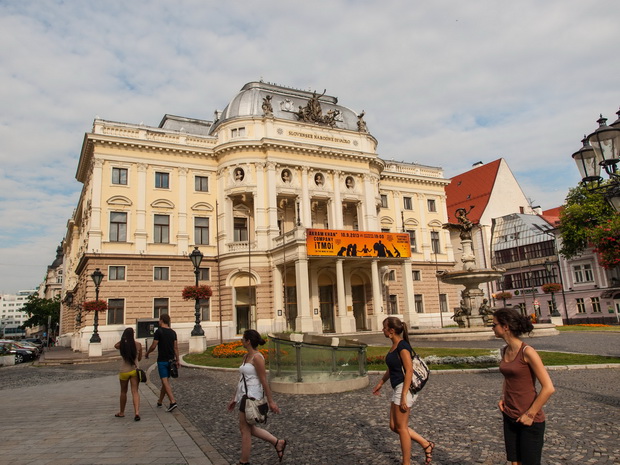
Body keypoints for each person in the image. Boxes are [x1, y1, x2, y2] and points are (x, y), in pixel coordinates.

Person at [493, 307, 555, 465]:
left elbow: (548, 388)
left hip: (529, 418)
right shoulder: (504, 350)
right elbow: (508, 377)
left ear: (505, 326)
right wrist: (503, 396)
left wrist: (530, 414)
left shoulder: (527, 352)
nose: (492, 328)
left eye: (494, 325)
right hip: (510, 414)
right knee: (515, 462)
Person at [373, 317, 435, 465]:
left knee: (401, 428)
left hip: (404, 388)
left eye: (384, 327)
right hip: (398, 387)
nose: (382, 330)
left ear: (391, 331)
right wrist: (381, 383)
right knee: (394, 426)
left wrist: (403, 396)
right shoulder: (394, 345)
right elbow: (393, 368)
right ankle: (426, 444)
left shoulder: (403, 346)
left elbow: (409, 371)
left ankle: (406, 462)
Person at [227, 329, 287, 465]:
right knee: (249, 429)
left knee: (245, 430)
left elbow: (264, 380)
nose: (241, 340)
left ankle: (244, 461)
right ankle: (278, 443)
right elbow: (241, 380)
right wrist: (234, 398)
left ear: (248, 341)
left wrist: (271, 401)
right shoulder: (246, 357)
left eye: (243, 338)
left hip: (252, 397)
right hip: (243, 396)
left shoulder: (257, 358)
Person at [145, 313, 180, 412]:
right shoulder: (173, 332)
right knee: (165, 382)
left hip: (162, 360)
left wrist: (147, 353)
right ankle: (160, 401)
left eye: (159, 320)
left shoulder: (159, 331)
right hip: (171, 360)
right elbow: (176, 347)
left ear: (161, 320)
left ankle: (172, 401)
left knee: (164, 381)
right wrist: (177, 360)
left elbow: (153, 345)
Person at [114, 327, 143, 421]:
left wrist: (124, 339)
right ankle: (137, 412)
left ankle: (122, 412)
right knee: (135, 391)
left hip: (124, 371)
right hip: (134, 370)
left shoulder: (122, 345)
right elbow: (139, 359)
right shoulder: (138, 345)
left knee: (123, 392)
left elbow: (116, 345)